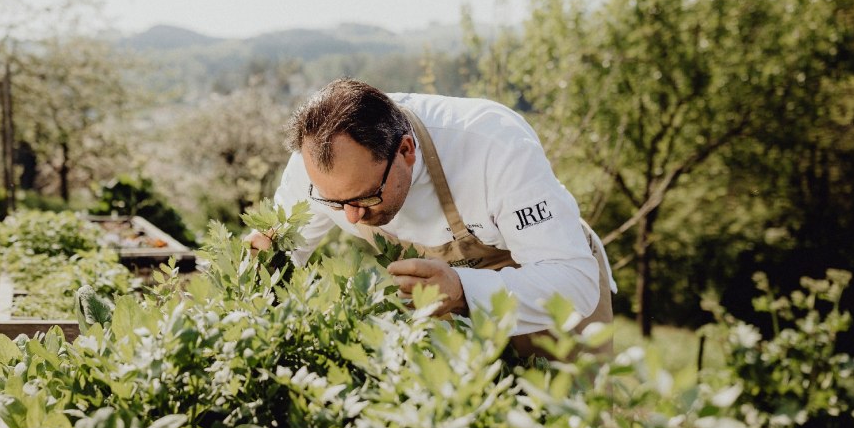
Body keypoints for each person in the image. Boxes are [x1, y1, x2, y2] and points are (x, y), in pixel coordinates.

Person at [248, 78, 615, 358]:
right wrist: (257, 262)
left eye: (366, 197)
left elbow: (575, 282)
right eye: (334, 202)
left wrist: (463, 290)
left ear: (406, 151)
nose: (352, 215)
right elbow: (276, 260)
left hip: (543, 286)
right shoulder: (313, 166)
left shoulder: (494, 144)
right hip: (442, 302)